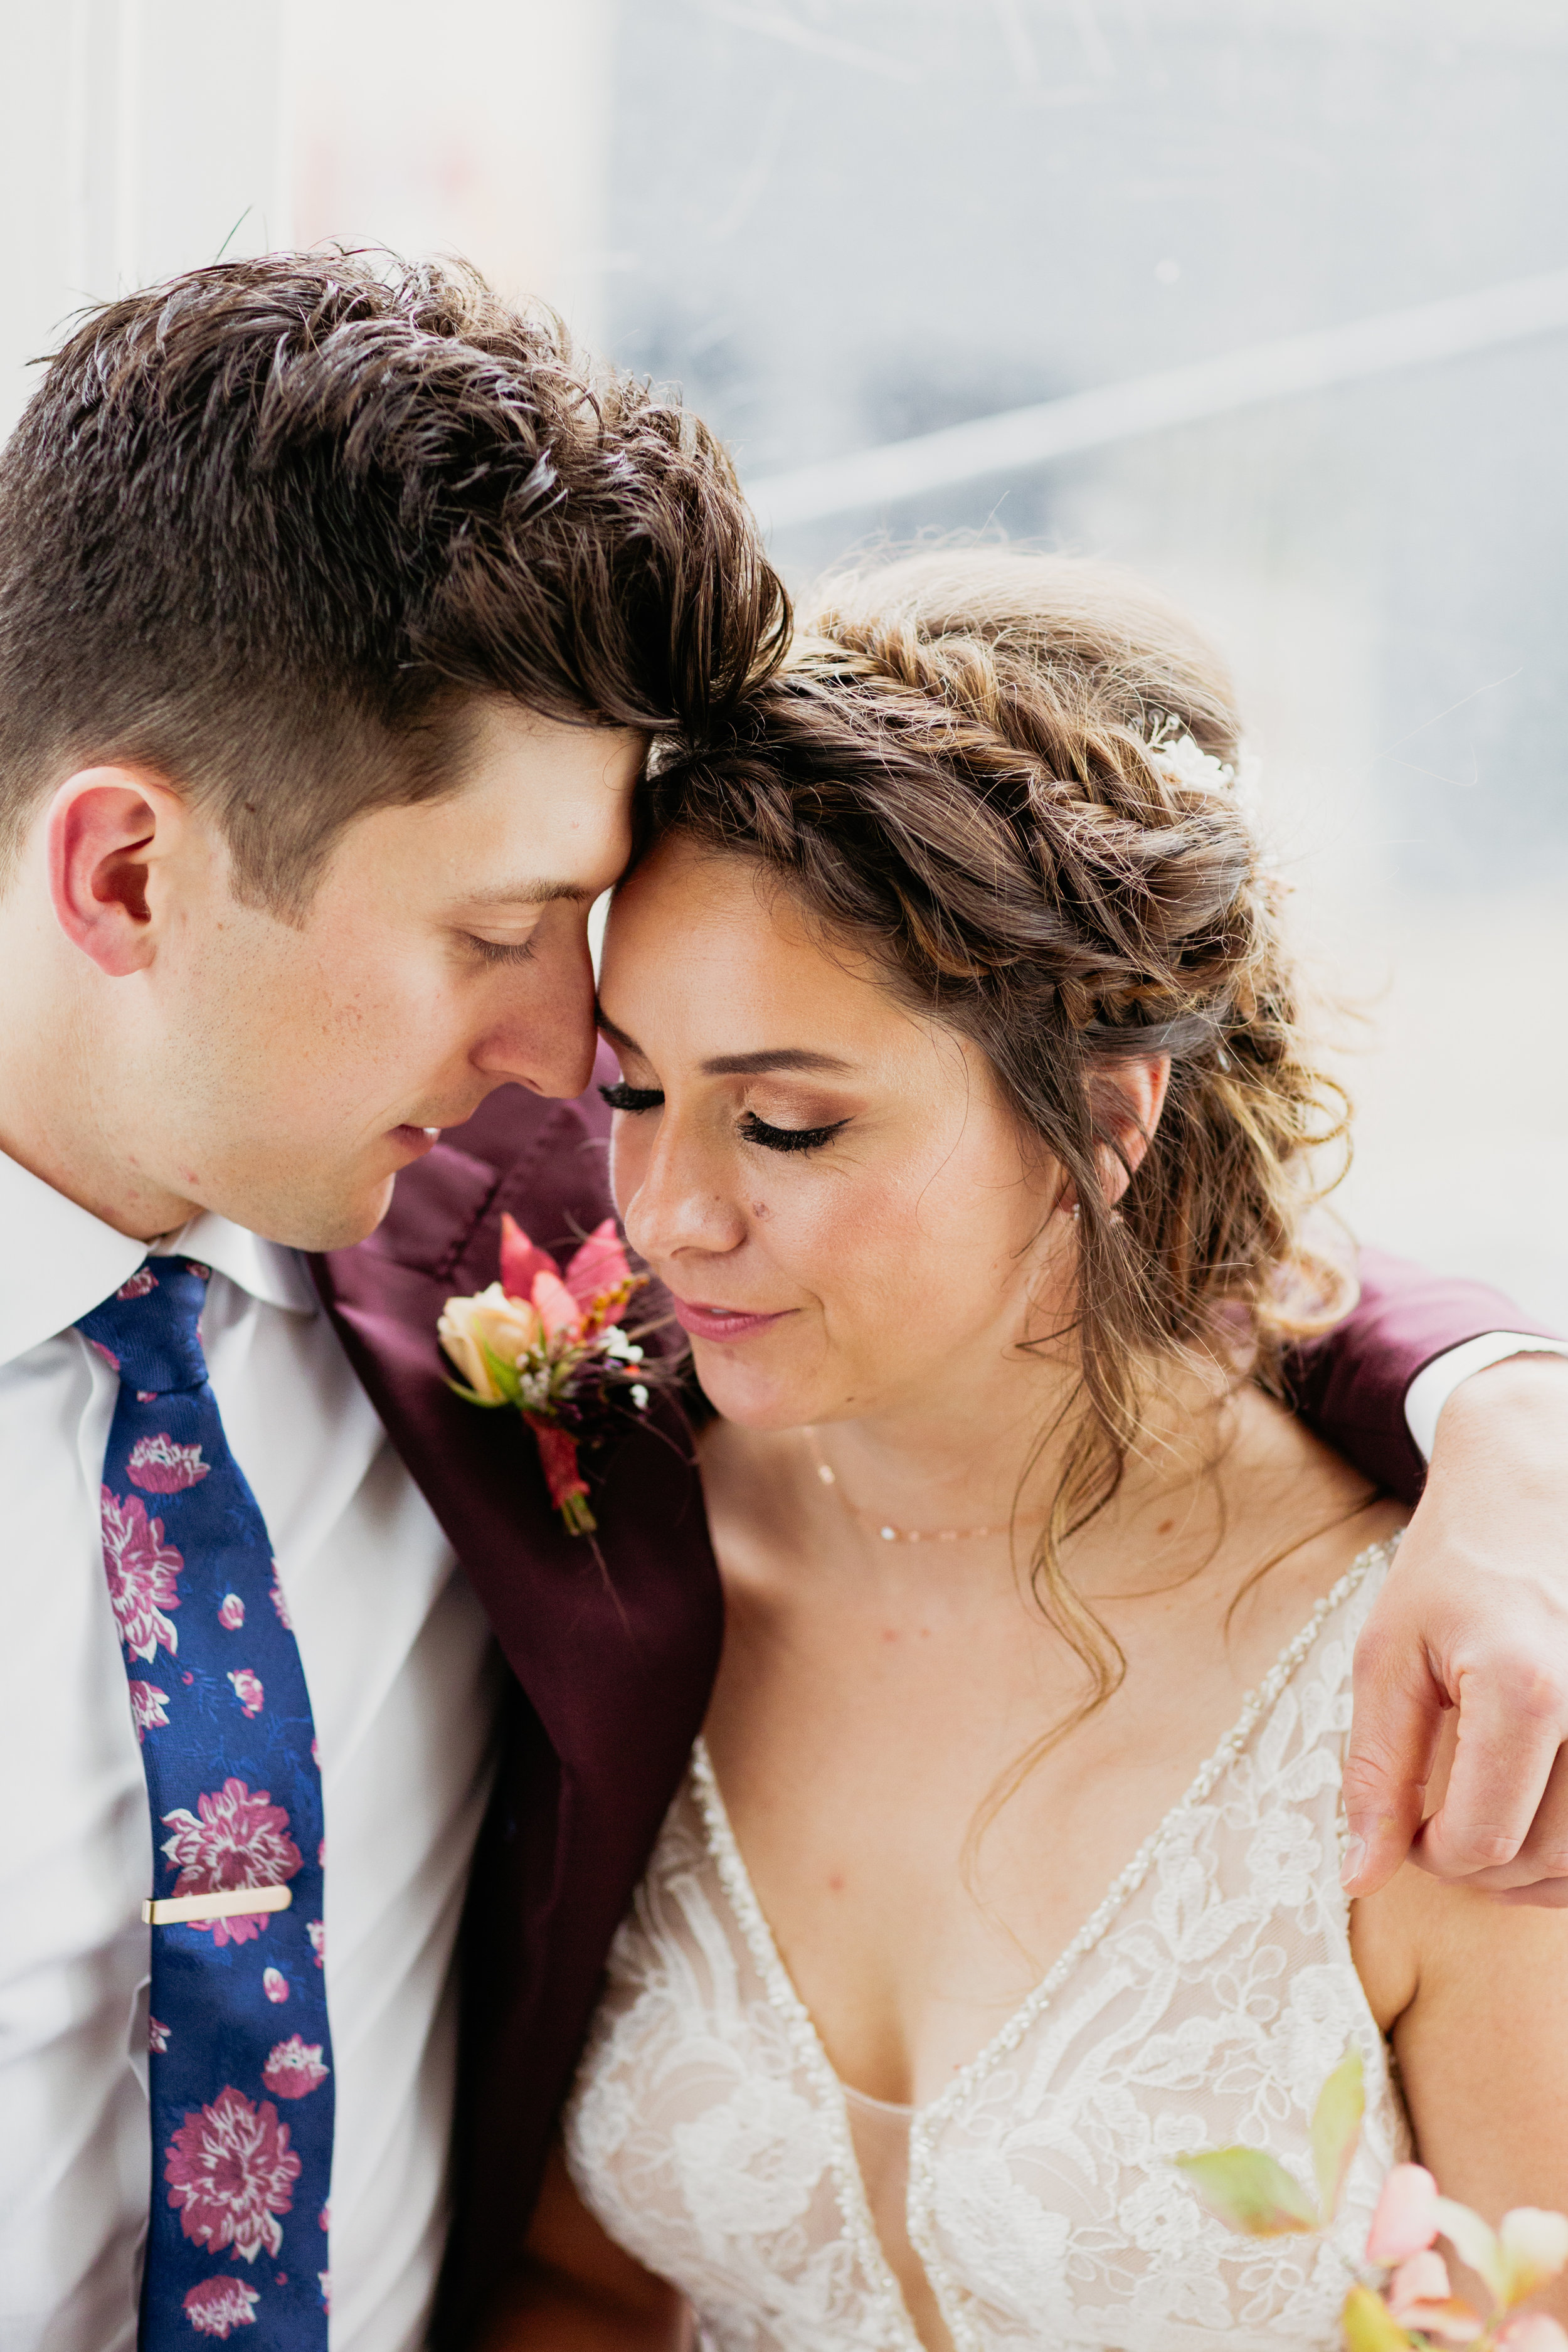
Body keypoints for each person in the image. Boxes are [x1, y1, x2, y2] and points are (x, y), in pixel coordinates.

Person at [0, 258, 1562, 2352]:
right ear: (124, 878)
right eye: (503, 927)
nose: (582, 1071)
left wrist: (1502, 1412)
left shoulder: (482, 1202)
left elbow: (1095, 1216)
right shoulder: (481, 1169)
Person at [502, 552, 1568, 2351]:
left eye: (785, 1121)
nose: (669, 1210)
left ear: (1096, 1107)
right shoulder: (597, 1524)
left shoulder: (1451, 1695)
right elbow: (581, 2283)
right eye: (630, 1089)